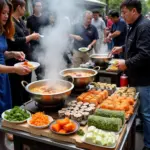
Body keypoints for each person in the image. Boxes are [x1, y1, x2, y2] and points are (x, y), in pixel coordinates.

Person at [111, 1, 150, 150]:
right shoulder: (134, 26)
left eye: (124, 12)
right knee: (140, 109)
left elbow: (145, 54)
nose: (122, 16)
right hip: (136, 76)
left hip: (144, 78)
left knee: (147, 113)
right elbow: (133, 45)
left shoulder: (144, 26)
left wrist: (126, 63)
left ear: (134, 11)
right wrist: (122, 48)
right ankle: (142, 127)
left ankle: (148, 144)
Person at [0, 0, 31, 142]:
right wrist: (14, 69)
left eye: (7, 13)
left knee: (5, 107)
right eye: (3, 13)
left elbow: (2, 53)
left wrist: (12, 53)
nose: (6, 16)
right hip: (4, 71)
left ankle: (3, 134)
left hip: (3, 76)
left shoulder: (1, 30)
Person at [6, 0, 40, 107]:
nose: (25, 10)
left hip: (25, 58)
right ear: (19, 7)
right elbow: (14, 40)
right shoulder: (10, 22)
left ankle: (27, 107)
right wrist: (30, 37)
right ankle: (20, 109)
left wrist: (31, 36)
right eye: (24, 7)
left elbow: (24, 35)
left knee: (26, 86)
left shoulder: (20, 20)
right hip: (15, 62)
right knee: (18, 89)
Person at [27, 0, 50, 79]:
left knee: (44, 67)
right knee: (38, 68)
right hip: (34, 46)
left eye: (40, 6)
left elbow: (49, 31)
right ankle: (39, 82)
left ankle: (44, 81)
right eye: (37, 6)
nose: (39, 7)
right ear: (34, 8)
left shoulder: (45, 18)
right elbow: (28, 32)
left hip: (44, 46)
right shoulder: (30, 19)